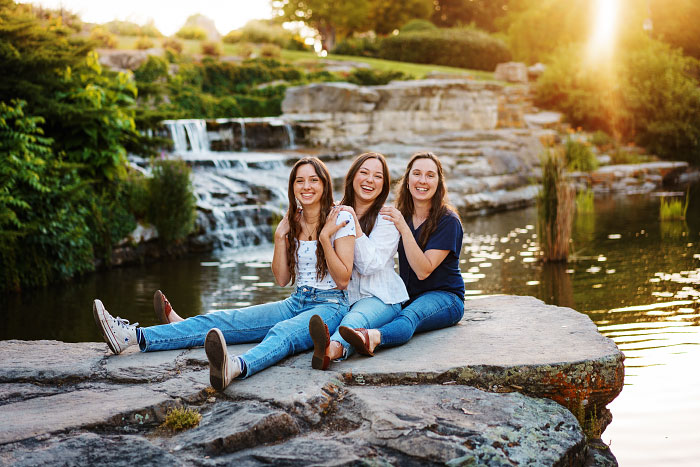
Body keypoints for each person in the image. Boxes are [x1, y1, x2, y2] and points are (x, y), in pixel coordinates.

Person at [92, 157, 355, 390]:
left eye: (313, 180)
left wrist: (324, 237)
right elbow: (282, 279)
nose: (306, 187)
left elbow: (343, 280)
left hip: (330, 306)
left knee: (282, 333)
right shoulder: (292, 221)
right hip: (296, 301)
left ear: (324, 184)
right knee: (223, 320)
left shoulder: (340, 218)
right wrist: (278, 238)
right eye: (299, 181)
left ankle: (235, 367)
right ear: (292, 186)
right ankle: (132, 337)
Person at [337, 152, 465, 357]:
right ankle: (349, 339)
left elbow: (423, 271)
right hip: (408, 296)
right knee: (392, 311)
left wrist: (404, 228)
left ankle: (371, 338)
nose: (422, 180)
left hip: (445, 297)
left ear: (439, 183)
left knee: (410, 317)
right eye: (417, 174)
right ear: (407, 181)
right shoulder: (399, 214)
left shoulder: (448, 220)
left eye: (430, 175)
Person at [307, 153, 409, 370]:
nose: (369, 180)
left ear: (384, 184)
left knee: (355, 320)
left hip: (381, 298)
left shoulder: (388, 218)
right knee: (330, 319)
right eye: (364, 172)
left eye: (377, 176)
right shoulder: (333, 213)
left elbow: (369, 265)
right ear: (352, 177)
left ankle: (330, 351)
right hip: (342, 297)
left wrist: (355, 223)